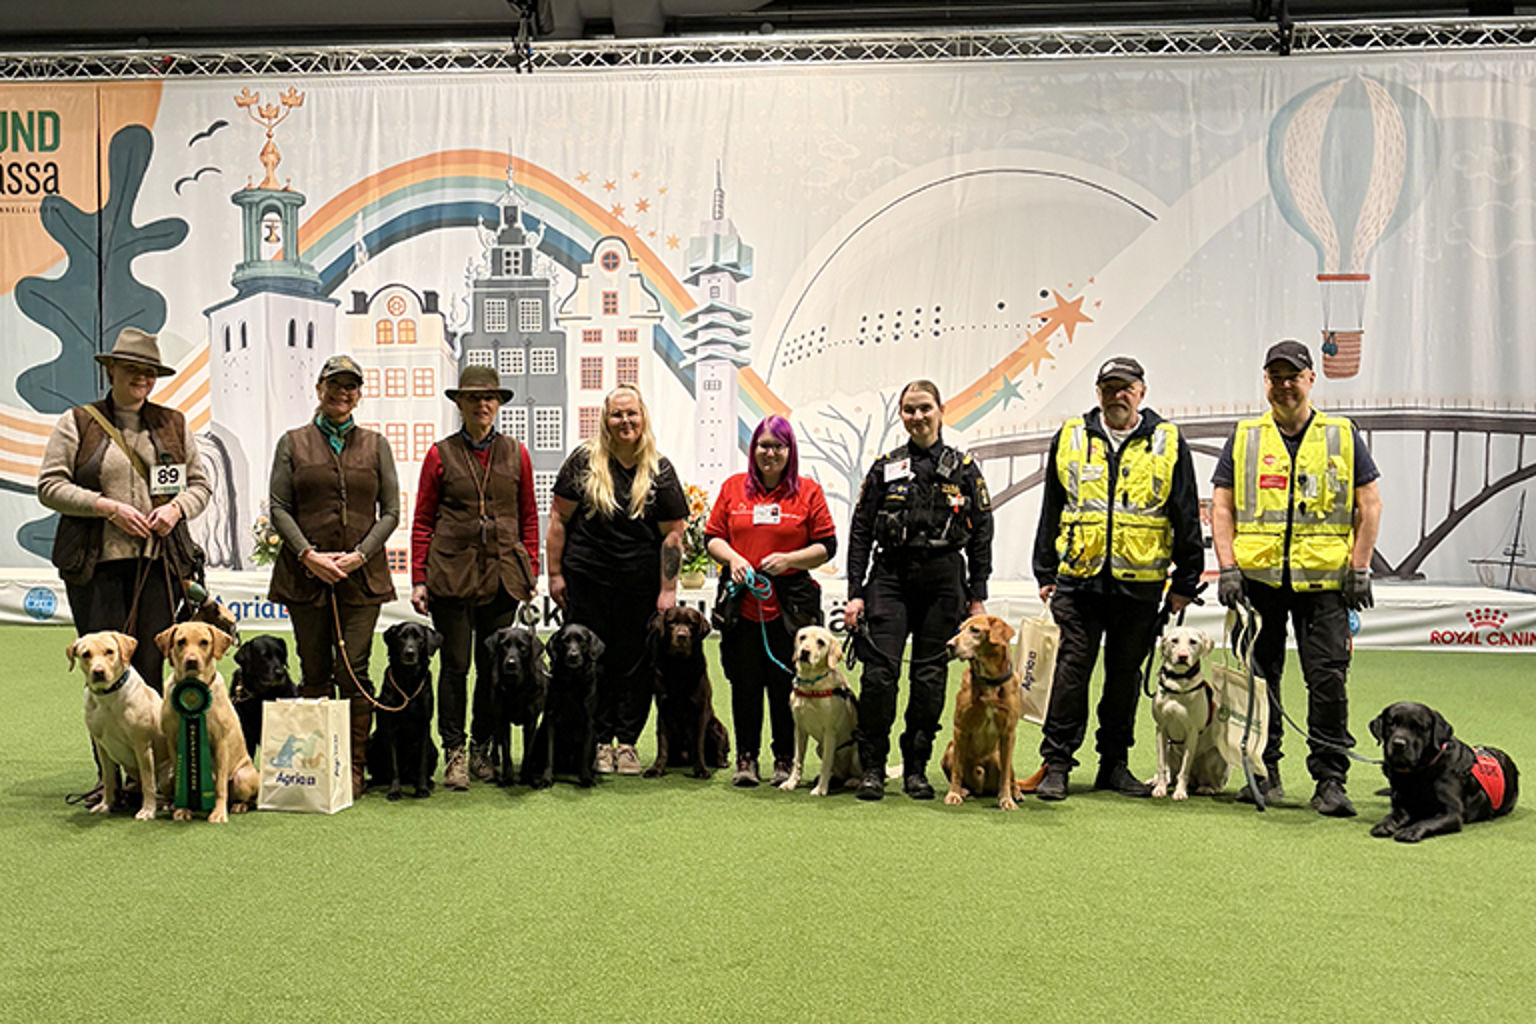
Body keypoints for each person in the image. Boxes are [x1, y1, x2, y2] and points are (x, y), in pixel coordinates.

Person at [39, 328, 212, 805]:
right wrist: (106, 507)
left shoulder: (173, 423)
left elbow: (199, 485)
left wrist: (175, 510)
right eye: (133, 369)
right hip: (96, 568)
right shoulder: (78, 422)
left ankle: (153, 780)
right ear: (111, 370)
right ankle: (110, 780)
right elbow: (50, 485)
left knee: (152, 672)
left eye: (150, 372)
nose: (142, 379)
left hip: (158, 566)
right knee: (104, 673)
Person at [1210, 339, 1381, 817]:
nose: (1285, 385)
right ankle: (1264, 771)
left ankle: (1330, 781)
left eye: (1293, 376)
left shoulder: (1342, 435)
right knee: (1258, 681)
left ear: (1310, 379)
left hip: (1324, 584)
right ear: (1266, 382)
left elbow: (1369, 504)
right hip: (1258, 582)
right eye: (1276, 377)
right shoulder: (1245, 436)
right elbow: (1222, 507)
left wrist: (1360, 568)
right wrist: (1228, 567)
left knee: (1327, 681)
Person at [1031, 356, 1204, 801]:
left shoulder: (1168, 441)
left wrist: (1186, 581)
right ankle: (1056, 764)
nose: (1117, 395)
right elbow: (1052, 505)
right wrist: (1045, 571)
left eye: (1125, 387)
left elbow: (1185, 510)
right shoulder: (1071, 436)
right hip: (1079, 582)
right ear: (1098, 392)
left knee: (1124, 678)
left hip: (1139, 585)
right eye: (1109, 387)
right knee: (1071, 674)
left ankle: (1113, 765)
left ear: (1141, 392)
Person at [843, 380, 993, 801]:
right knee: (878, 676)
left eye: (925, 408)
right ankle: (873, 767)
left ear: (940, 411)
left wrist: (977, 595)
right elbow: (860, 530)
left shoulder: (964, 469)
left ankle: (916, 768)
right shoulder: (885, 467)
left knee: (929, 679)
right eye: (909, 410)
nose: (918, 417)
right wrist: (855, 592)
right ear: (901, 415)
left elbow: (982, 533)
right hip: (890, 578)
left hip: (944, 580)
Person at [267, 354, 400, 797]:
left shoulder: (376, 445)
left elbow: (391, 512)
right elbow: (279, 508)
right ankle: (315, 767)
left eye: (351, 386)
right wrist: (307, 555)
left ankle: (354, 767)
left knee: (354, 672)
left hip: (362, 577)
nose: (343, 393)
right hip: (304, 575)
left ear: (359, 394)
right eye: (335, 384)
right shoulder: (292, 443)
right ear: (320, 389)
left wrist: (360, 556)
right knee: (314, 671)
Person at [547, 383, 688, 776]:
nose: (625, 421)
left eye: (632, 413)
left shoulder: (660, 470)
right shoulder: (583, 462)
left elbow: (672, 536)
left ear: (643, 417)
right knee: (592, 663)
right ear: (605, 420)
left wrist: (668, 589)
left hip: (639, 587)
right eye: (617, 414)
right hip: (586, 581)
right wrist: (554, 573)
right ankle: (596, 742)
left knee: (634, 666)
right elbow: (558, 519)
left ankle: (625, 743)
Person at [410, 365, 539, 790]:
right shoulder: (439, 454)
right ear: (460, 404)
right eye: (473, 398)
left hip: (502, 578)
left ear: (498, 404)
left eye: (489, 398)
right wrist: (418, 578)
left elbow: (529, 517)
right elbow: (423, 520)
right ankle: (455, 752)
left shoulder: (517, 453)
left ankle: (483, 746)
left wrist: (531, 568)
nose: (482, 404)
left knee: (493, 668)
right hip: (450, 575)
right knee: (455, 667)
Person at [705, 415, 837, 787]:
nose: (770, 453)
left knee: (785, 686)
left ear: (789, 451)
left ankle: (784, 759)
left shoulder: (808, 492)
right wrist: (733, 559)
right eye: (764, 445)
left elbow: (826, 546)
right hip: (742, 606)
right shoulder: (733, 488)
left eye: (778, 446)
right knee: (744, 685)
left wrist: (790, 560)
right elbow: (712, 537)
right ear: (753, 449)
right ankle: (746, 758)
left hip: (790, 609)